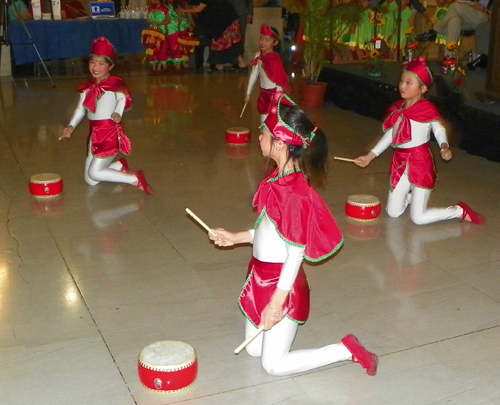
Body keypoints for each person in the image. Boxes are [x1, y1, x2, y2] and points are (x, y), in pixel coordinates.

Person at [208, 92, 379, 377]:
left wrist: (276, 303)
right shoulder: (276, 181)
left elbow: (295, 252)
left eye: (262, 132)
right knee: (252, 349)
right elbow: (270, 234)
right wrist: (236, 237)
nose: (258, 137)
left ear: (280, 143)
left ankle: (346, 349)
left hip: (282, 286)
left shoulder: (294, 194)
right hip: (260, 277)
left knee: (272, 365)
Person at [354, 56, 485, 225]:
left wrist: (444, 146)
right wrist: (370, 156)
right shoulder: (400, 108)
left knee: (418, 218)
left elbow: (438, 129)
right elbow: (390, 135)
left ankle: (458, 211)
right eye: (402, 81)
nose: (402, 86)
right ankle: (410, 197)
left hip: (420, 163)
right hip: (400, 161)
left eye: (409, 83)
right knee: (393, 213)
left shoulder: (427, 110)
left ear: (422, 88)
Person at [61, 37, 154, 194]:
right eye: (92, 62)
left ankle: (135, 179)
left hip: (109, 133)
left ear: (110, 66)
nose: (95, 67)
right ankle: (119, 166)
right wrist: (71, 125)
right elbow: (80, 110)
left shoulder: (114, 84)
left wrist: (118, 112)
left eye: (101, 63)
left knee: (94, 173)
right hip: (94, 134)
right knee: (91, 180)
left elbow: (122, 98)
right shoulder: (87, 88)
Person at [179, 0, 246, 72]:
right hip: (227, 19)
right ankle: (238, 64)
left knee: (221, 42)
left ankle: (221, 65)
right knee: (231, 42)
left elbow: (199, 9)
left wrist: (183, 10)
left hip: (226, 20)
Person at [245, 25, 291, 123]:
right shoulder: (258, 56)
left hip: (275, 94)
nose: (263, 42)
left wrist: (278, 97)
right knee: (264, 124)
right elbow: (254, 74)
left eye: (267, 40)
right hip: (264, 94)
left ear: (275, 43)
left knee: (275, 123)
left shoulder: (275, 59)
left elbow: (278, 79)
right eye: (261, 38)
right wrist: (248, 93)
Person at [419, 0, 489, 57]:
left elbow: (482, 6)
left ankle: (435, 30)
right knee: (454, 20)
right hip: (466, 16)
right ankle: (448, 58)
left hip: (482, 16)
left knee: (456, 6)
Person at [145, 0, 170, 74]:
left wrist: (161, 23)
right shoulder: (149, 9)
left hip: (161, 32)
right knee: (152, 49)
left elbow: (168, 20)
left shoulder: (165, 9)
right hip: (152, 32)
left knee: (161, 49)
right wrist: (152, 22)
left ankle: (159, 67)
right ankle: (153, 66)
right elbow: (147, 20)